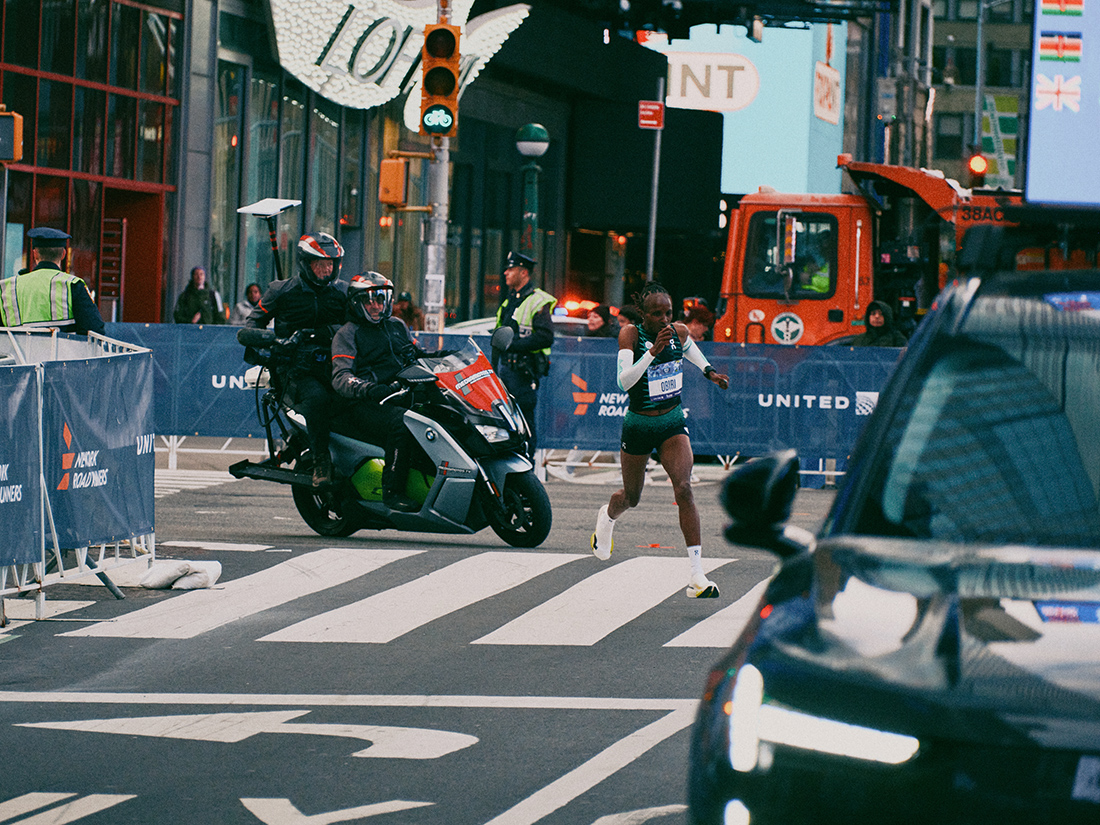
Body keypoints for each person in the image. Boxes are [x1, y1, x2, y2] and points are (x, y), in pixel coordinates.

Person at [590, 281, 730, 599]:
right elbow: (624, 382)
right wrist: (652, 352)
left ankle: (697, 575)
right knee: (631, 496)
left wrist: (711, 373)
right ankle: (607, 516)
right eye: (657, 314)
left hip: (671, 422)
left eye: (668, 313)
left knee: (684, 488)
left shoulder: (678, 332)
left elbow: (694, 353)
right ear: (643, 315)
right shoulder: (630, 335)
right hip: (639, 424)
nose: (665, 320)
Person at [241, 232, 349, 486]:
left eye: (330, 265)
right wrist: (274, 340)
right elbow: (251, 324)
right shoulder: (281, 290)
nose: (325, 270)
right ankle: (320, 462)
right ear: (306, 263)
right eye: (319, 264)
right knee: (318, 399)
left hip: (335, 363)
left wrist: (322, 332)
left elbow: (357, 324)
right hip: (295, 369)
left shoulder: (343, 292)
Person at [331, 273, 442, 512]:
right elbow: (341, 377)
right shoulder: (348, 333)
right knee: (402, 425)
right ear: (356, 303)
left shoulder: (397, 326)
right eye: (369, 300)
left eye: (380, 299)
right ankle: (393, 492)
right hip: (366, 403)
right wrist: (369, 389)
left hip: (402, 393)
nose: (375, 305)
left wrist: (443, 359)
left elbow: (416, 355)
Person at [492, 251, 557, 452]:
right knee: (506, 422)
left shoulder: (537, 301)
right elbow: (499, 338)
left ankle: (526, 465)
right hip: (506, 372)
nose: (505, 273)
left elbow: (545, 337)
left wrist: (514, 345)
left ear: (523, 273)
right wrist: (492, 370)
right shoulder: (508, 302)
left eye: (510, 269)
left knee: (524, 423)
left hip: (524, 372)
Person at [0, 227, 105, 336]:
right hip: (63, 352)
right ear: (63, 254)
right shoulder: (72, 285)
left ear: (34, 254)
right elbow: (94, 329)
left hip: (17, 353)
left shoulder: (7, 287)